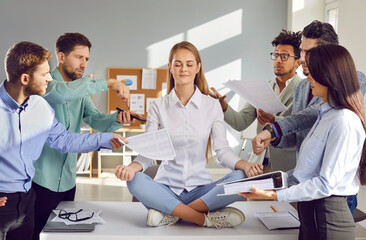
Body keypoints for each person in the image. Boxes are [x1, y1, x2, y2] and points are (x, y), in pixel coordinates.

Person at [115, 41, 263, 228]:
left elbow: (222, 151)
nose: (183, 69)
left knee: (243, 178)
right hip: (165, 188)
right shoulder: (158, 106)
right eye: (178, 64)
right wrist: (131, 168)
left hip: (201, 189)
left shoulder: (212, 106)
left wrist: (247, 165)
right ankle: (202, 218)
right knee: (134, 180)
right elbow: (149, 152)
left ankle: (171, 213)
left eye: (189, 64)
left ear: (198, 67)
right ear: (170, 67)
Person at [0, 41, 126, 240]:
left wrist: (108, 138)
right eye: (44, 74)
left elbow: (65, 140)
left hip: (27, 199)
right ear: (25, 78)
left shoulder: (40, 108)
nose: (49, 78)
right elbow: (65, 92)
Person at [242, 44, 366, 240]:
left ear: (330, 75)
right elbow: (305, 173)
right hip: (310, 210)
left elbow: (326, 184)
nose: (308, 79)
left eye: (313, 73)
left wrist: (273, 196)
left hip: (328, 214)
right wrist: (267, 183)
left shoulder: (344, 121)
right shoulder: (325, 115)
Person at [30, 32, 133, 240]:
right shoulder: (46, 85)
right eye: (79, 57)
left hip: (68, 180)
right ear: (60, 57)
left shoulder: (81, 92)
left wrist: (117, 119)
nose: (84, 64)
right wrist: (110, 82)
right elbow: (64, 93)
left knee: (63, 235)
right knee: (37, 234)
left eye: (86, 59)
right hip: (41, 180)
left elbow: (95, 119)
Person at [210, 30, 302, 172]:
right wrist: (224, 107)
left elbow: (300, 128)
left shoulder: (304, 89)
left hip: (288, 167)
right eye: (276, 55)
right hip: (259, 165)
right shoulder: (263, 88)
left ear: (297, 62)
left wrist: (273, 120)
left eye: (284, 56)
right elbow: (241, 122)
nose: (278, 60)